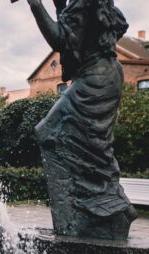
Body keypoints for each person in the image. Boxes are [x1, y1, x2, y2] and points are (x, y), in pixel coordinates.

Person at [26, 0, 137, 240]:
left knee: (51, 133)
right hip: (105, 74)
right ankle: (111, 206)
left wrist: (34, 3)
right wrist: (60, 8)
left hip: (96, 79)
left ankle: (79, 217)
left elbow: (60, 39)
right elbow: (88, 31)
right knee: (93, 142)